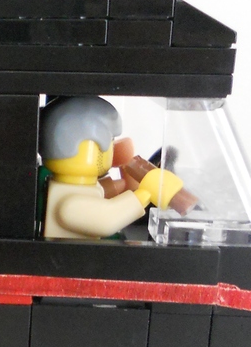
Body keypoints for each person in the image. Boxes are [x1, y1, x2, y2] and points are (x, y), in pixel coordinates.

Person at [39, 96, 182, 240]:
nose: (112, 149)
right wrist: (146, 193)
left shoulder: (73, 187)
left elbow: (99, 199)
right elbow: (106, 220)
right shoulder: (68, 203)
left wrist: (127, 188)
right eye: (110, 141)